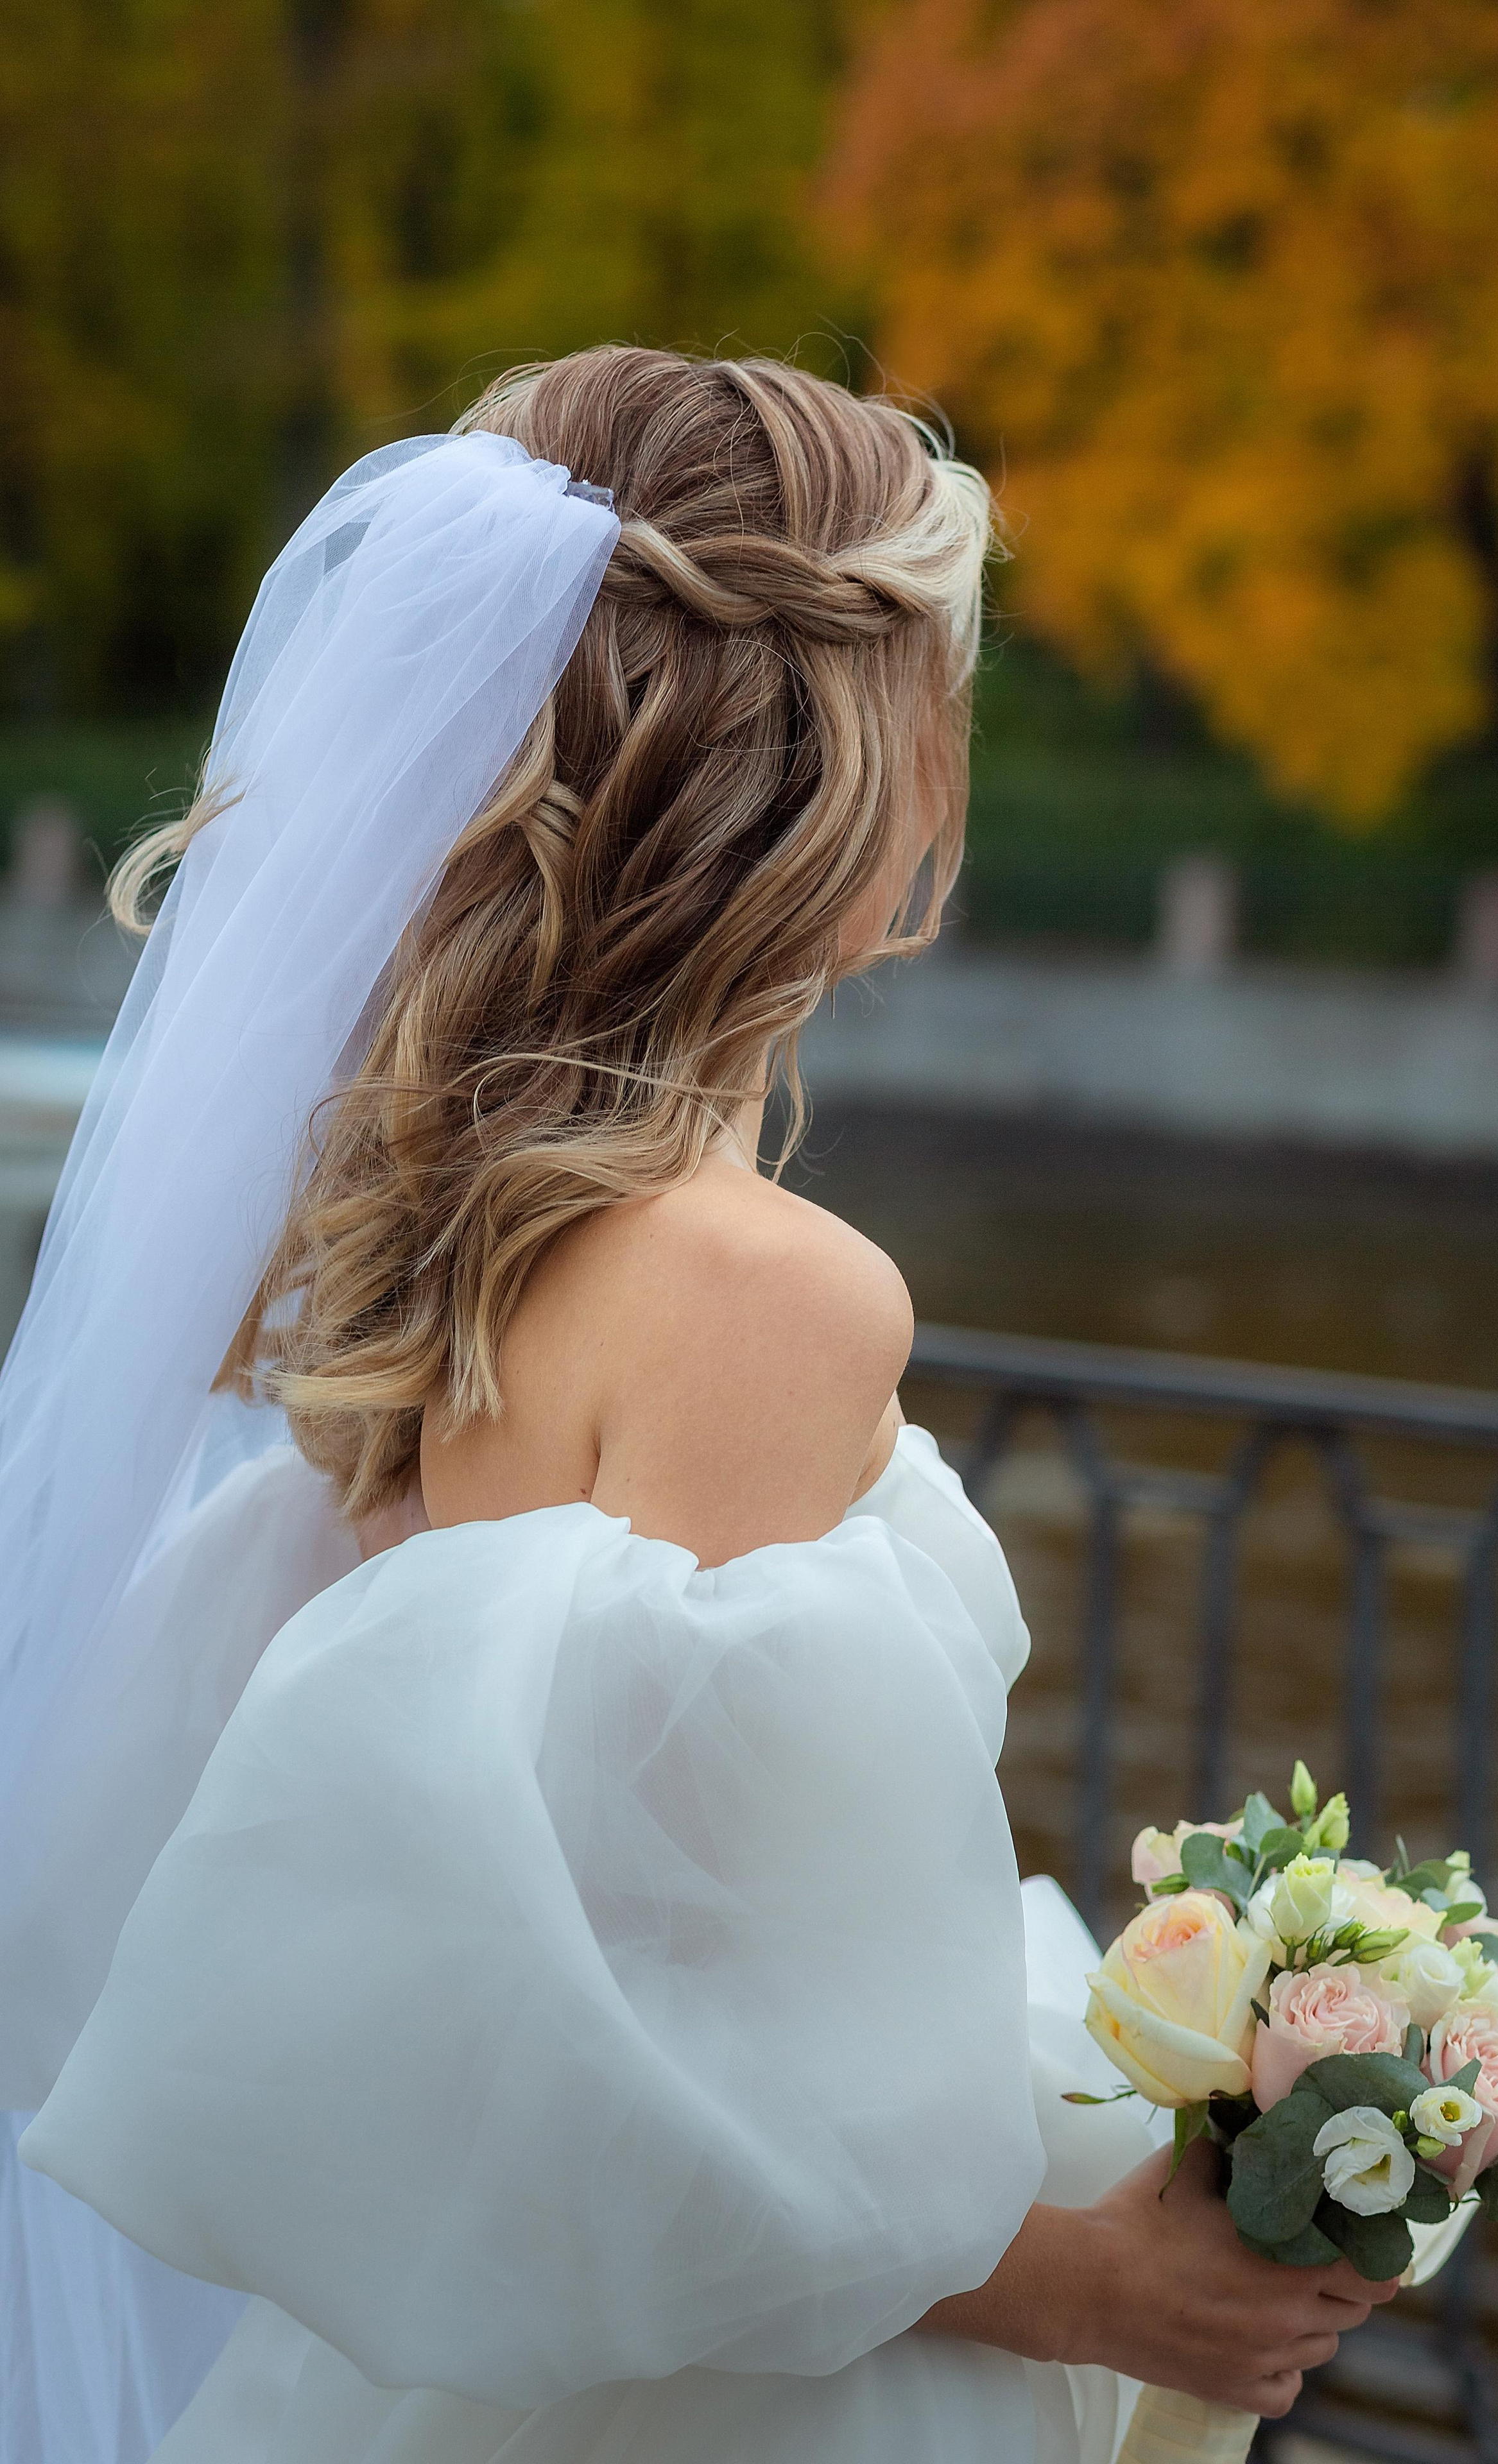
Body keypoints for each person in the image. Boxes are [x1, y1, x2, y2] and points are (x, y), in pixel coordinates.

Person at [0, 348, 1392, 2464]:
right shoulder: (758, 1292)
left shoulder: (406, 1232)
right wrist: (1101, 2287)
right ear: (843, 775)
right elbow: (663, 2077)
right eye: (945, 707)